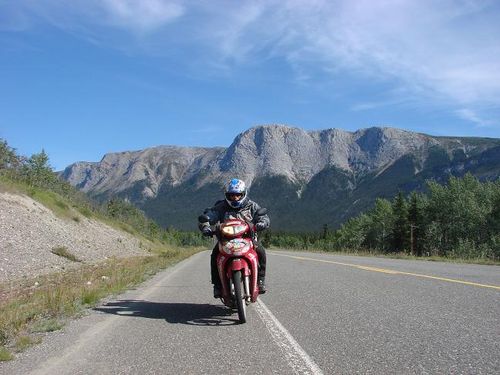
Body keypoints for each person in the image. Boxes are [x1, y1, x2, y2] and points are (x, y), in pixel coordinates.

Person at [199, 178, 270, 298]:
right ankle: (217, 285)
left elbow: (263, 216)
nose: (234, 198)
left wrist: (262, 223)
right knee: (215, 255)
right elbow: (210, 215)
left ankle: (261, 280)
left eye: (238, 195)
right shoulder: (221, 206)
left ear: (243, 194)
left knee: (261, 251)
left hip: (248, 239)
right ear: (227, 195)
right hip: (225, 240)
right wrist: (205, 225)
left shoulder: (251, 205)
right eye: (231, 195)